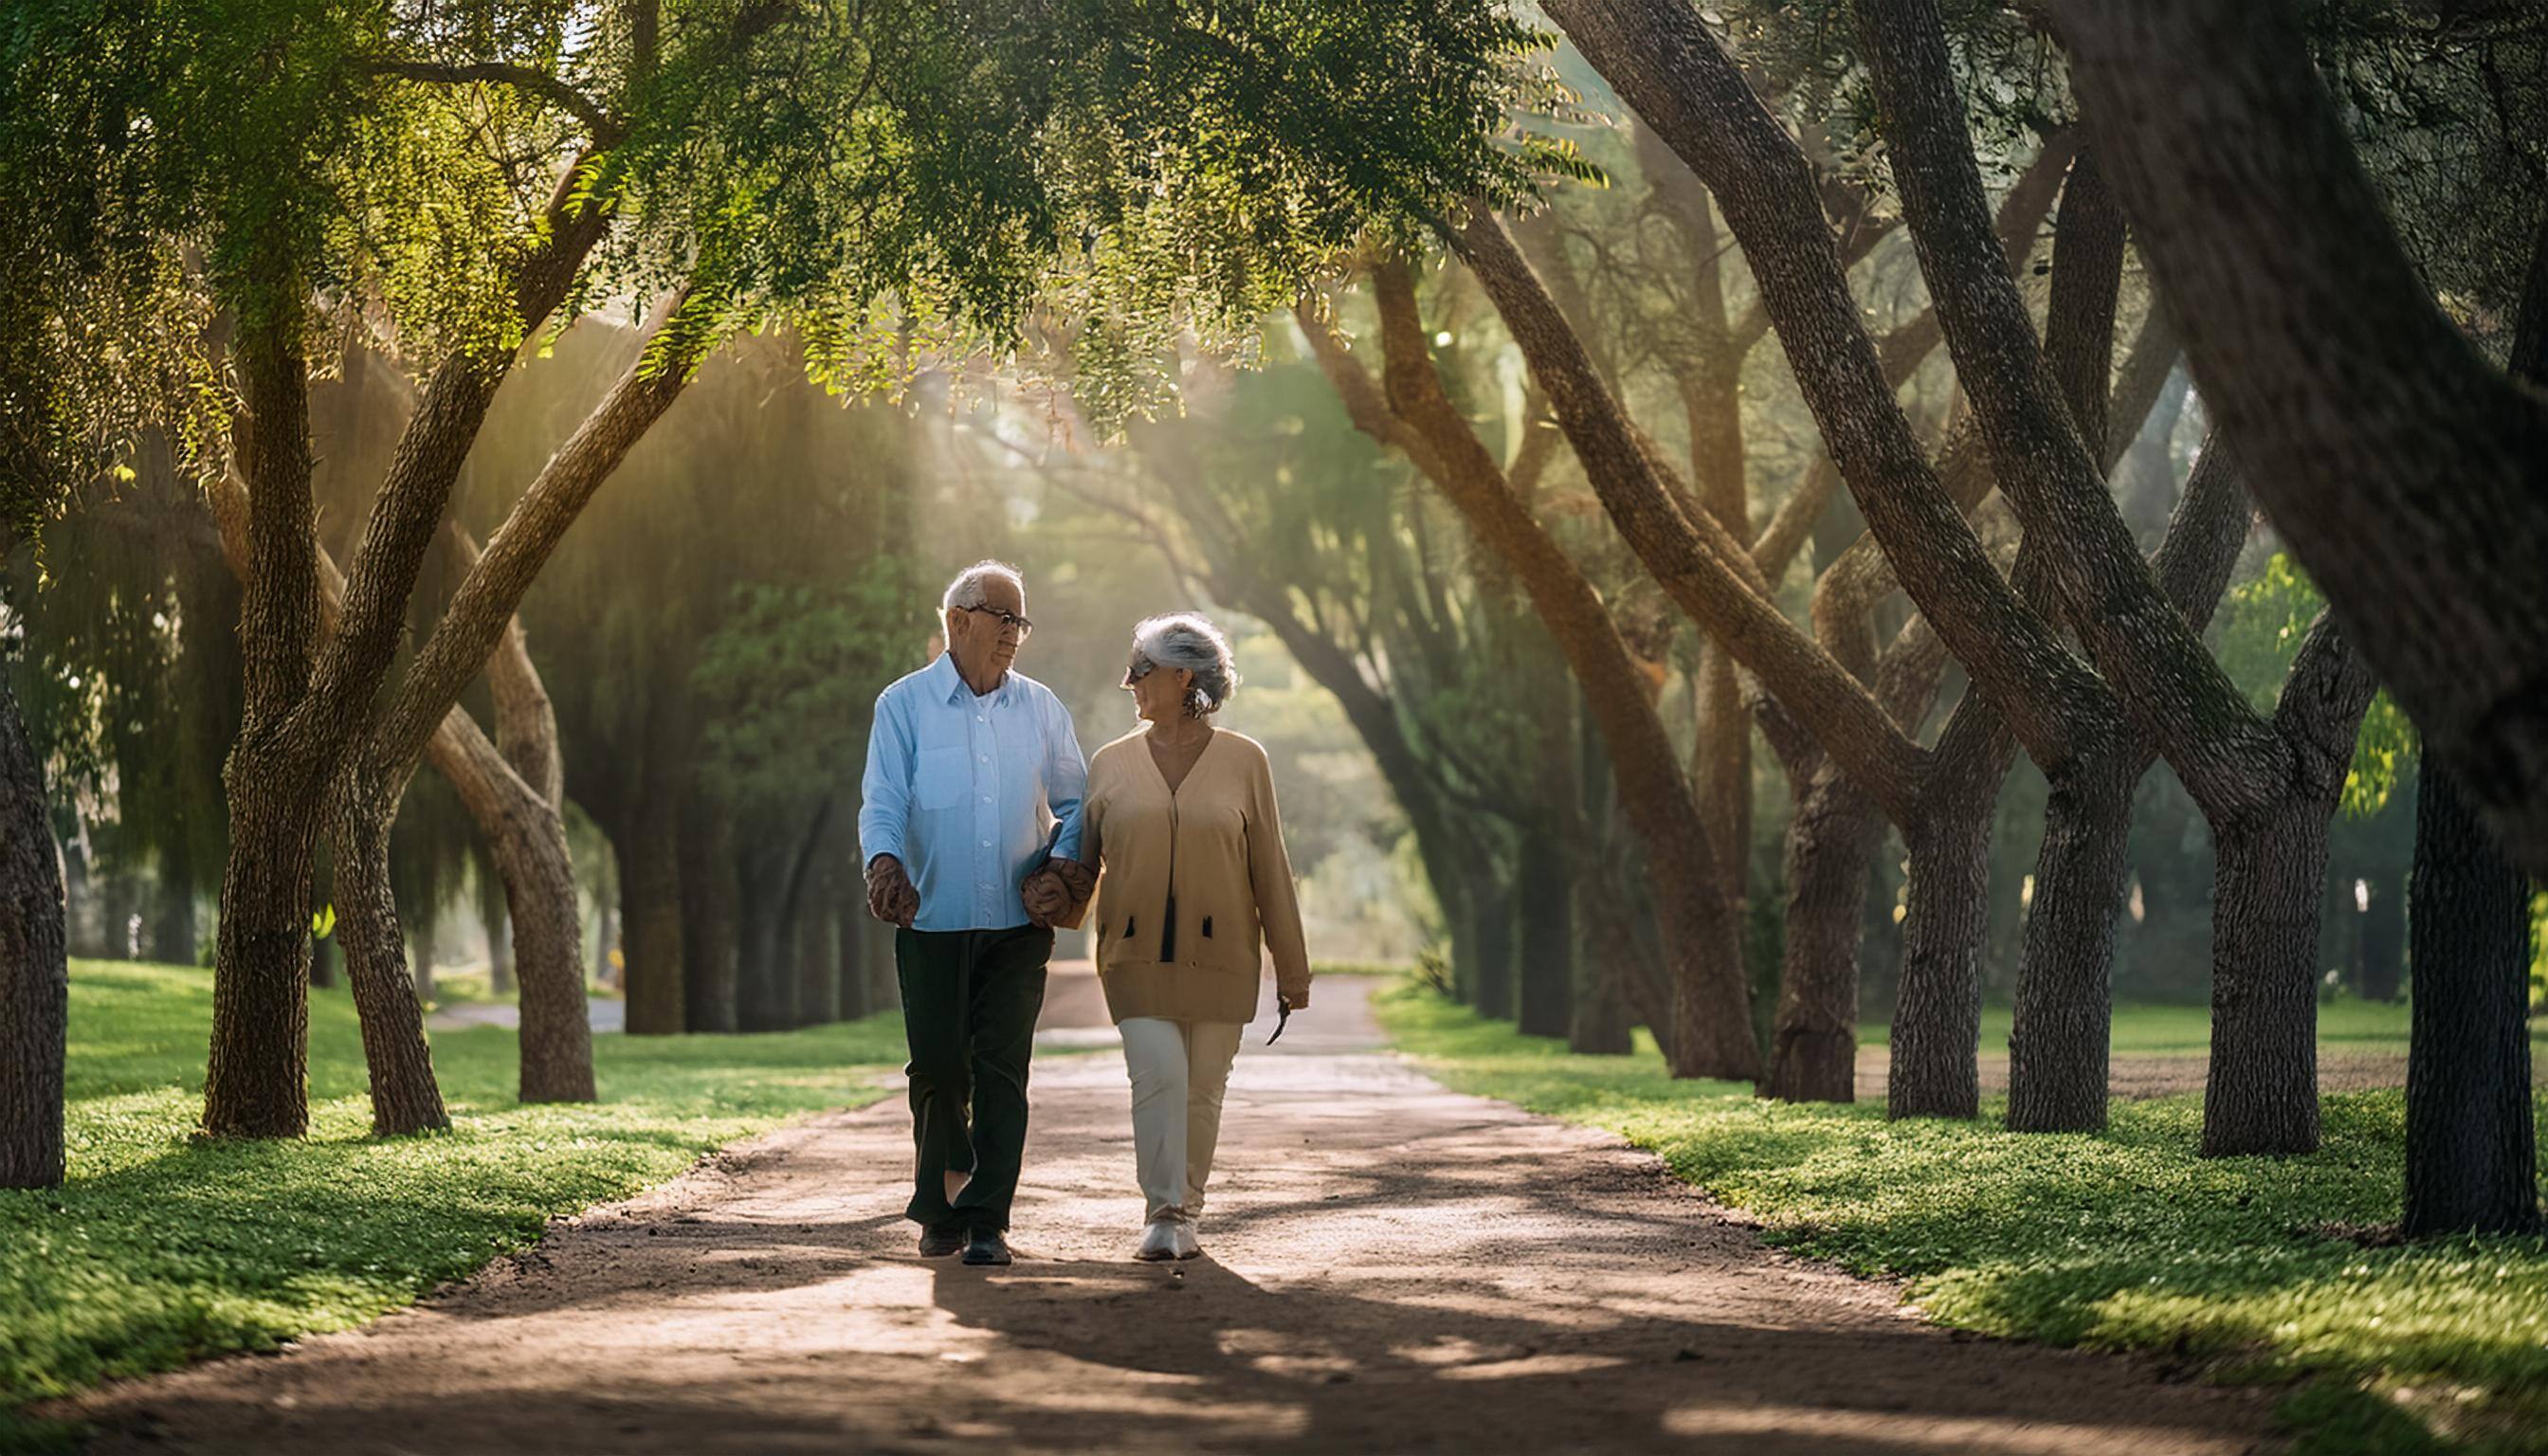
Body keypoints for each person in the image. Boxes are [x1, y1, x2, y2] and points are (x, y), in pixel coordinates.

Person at [859, 561, 1093, 1267]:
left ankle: (985, 1217)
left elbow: (1079, 805)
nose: (1015, 634)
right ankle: (942, 1201)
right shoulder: (902, 706)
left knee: (1001, 1069)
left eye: (1021, 621)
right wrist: (884, 863)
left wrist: (1062, 866)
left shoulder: (1042, 709)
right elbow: (884, 801)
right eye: (1002, 617)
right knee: (936, 1068)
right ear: (957, 620)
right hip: (930, 918)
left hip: (1019, 927)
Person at [1064, 612, 1312, 1262]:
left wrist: (1292, 971)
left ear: (1182, 677)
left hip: (1225, 956)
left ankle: (1187, 1209)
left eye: (1140, 670)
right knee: (1159, 1076)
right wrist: (1044, 908)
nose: (1128, 683)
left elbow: (1271, 870)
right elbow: (1079, 867)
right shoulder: (1110, 764)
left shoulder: (1245, 762)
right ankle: (1164, 1211)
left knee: (1202, 1088)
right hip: (1132, 955)